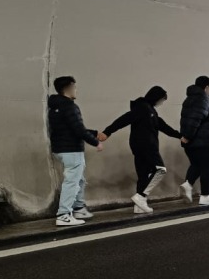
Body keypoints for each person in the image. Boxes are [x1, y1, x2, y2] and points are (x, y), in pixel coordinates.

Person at [100, 86, 182, 214]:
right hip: (146, 145)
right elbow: (124, 119)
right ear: (156, 97)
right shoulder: (142, 108)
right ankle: (141, 196)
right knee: (160, 170)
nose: (161, 103)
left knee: (143, 175)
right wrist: (107, 132)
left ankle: (139, 206)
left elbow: (163, 126)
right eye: (161, 100)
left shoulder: (151, 110)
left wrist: (180, 136)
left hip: (140, 146)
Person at [48, 76, 102, 226]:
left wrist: (94, 133)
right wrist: (95, 141)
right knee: (72, 181)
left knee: (79, 179)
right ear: (69, 88)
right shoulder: (70, 106)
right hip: (71, 149)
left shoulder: (55, 107)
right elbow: (78, 129)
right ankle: (64, 214)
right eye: (75, 87)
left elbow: (68, 128)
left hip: (60, 148)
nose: (76, 90)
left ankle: (78, 207)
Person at [179, 76, 209, 205]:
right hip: (206, 140)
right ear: (207, 87)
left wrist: (186, 137)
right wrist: (187, 136)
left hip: (194, 142)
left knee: (197, 165)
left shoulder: (189, 98)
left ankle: (188, 184)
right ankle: (205, 196)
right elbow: (195, 119)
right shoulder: (203, 99)